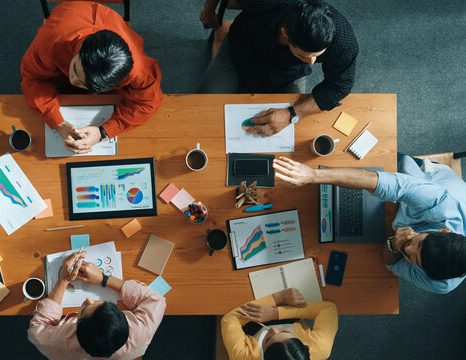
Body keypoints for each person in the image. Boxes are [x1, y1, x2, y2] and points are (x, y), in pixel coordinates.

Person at [272, 155, 466, 294]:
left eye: (414, 260)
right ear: (443, 230)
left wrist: (392, 244)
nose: (408, 247)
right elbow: (383, 182)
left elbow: (390, 265)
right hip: (426, 179)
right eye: (420, 243)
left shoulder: (440, 283)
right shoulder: (440, 202)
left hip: (395, 214)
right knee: (364, 157)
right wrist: (312, 176)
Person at [199, 0, 358, 137]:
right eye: (304, 55)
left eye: (317, 56)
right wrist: (208, 10)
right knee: (204, 112)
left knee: (285, 134)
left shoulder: (342, 40)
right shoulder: (265, 3)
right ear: (285, 34)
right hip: (240, 51)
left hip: (289, 73)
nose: (311, 62)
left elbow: (340, 85)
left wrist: (292, 114)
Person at [21, 1, 163, 154]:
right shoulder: (50, 42)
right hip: (69, 16)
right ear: (81, 49)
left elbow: (148, 102)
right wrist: (58, 123)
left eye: (85, 84)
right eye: (75, 69)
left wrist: (103, 132)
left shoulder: (139, 71)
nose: (73, 81)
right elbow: (32, 79)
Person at [28, 251, 166, 359]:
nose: (89, 300)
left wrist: (63, 280)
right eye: (103, 303)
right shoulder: (141, 336)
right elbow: (157, 300)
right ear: (120, 315)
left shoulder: (53, 344)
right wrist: (104, 278)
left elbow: (37, 328)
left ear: (76, 327)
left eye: (82, 311)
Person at [222, 287, 338, 360]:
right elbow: (328, 308)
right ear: (304, 346)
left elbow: (230, 318)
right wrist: (275, 313)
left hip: (251, 323)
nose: (273, 329)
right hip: (291, 316)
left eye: (267, 340)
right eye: (285, 331)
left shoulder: (244, 356)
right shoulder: (320, 346)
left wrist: (278, 298)